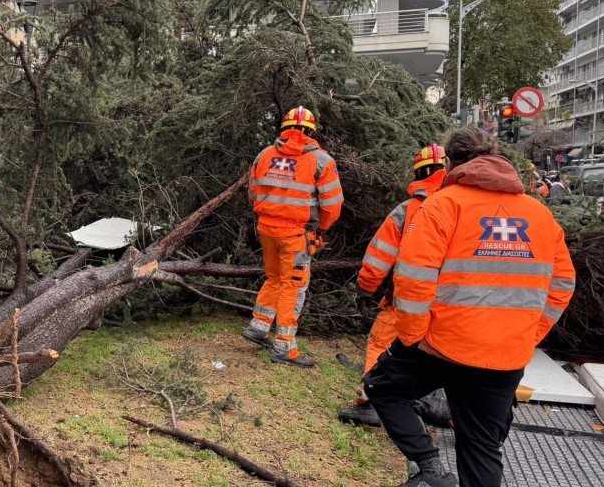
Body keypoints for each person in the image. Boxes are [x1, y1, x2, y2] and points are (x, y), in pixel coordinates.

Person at [364, 128, 575, 487]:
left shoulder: (441, 206)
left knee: (383, 388)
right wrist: (527, 336)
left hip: (441, 345)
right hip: (506, 355)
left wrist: (414, 337)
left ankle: (430, 467)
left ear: (451, 162)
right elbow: (563, 283)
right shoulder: (540, 216)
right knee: (481, 447)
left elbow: (414, 280)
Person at [337, 144, 448, 427]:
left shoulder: (408, 211)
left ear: (419, 173)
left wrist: (365, 288)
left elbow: (379, 254)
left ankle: (373, 404)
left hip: (409, 300)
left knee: (381, 342)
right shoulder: (463, 209)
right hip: (453, 305)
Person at [243, 106, 343, 368]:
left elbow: (253, 192)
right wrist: (320, 227)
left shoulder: (265, 155)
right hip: (297, 235)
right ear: (310, 130)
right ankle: (284, 347)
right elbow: (332, 204)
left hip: (266, 230)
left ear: (284, 128)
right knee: (293, 286)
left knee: (275, 277)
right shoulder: (321, 160)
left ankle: (258, 326)